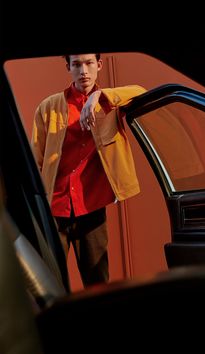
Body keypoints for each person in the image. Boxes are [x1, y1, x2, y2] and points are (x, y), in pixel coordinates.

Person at [31, 53, 146, 288]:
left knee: (97, 282)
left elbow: (141, 92)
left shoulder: (110, 103)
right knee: (49, 283)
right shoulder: (49, 107)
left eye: (89, 63)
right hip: (55, 209)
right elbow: (37, 159)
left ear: (99, 65)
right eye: (76, 65)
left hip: (91, 207)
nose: (83, 71)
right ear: (68, 68)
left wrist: (98, 96)